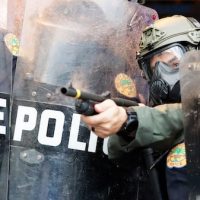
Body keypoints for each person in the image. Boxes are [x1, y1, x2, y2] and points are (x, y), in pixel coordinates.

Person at [81, 15, 200, 200]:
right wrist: (122, 127)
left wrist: (129, 120)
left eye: (174, 64)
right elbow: (120, 153)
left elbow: (185, 116)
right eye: (155, 70)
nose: (163, 80)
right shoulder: (161, 125)